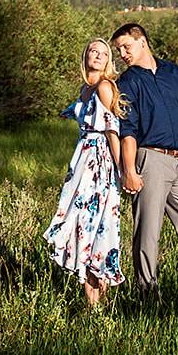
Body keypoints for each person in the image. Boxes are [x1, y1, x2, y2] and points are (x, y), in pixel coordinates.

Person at [111, 22, 178, 291]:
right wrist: (129, 171)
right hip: (150, 161)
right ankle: (147, 295)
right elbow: (127, 130)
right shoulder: (128, 81)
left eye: (126, 47)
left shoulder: (173, 72)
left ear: (142, 41)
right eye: (119, 49)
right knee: (148, 233)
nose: (122, 54)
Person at [43, 38, 125, 306]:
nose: (99, 56)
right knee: (80, 225)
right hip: (82, 162)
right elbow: (84, 114)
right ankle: (93, 306)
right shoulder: (85, 88)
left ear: (109, 60)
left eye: (104, 53)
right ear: (85, 56)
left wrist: (122, 170)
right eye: (94, 51)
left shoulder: (104, 86)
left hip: (100, 163)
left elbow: (113, 129)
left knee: (98, 227)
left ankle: (98, 305)